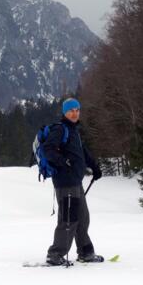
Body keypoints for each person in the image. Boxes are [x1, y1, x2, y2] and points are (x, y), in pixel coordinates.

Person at [44, 98, 103, 265]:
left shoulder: (74, 131)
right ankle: (55, 254)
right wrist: (63, 162)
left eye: (77, 110)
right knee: (69, 219)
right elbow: (48, 150)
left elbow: (83, 153)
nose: (75, 113)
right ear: (64, 112)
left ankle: (85, 252)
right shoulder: (60, 129)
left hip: (76, 181)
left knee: (83, 218)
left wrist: (95, 167)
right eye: (71, 110)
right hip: (65, 182)